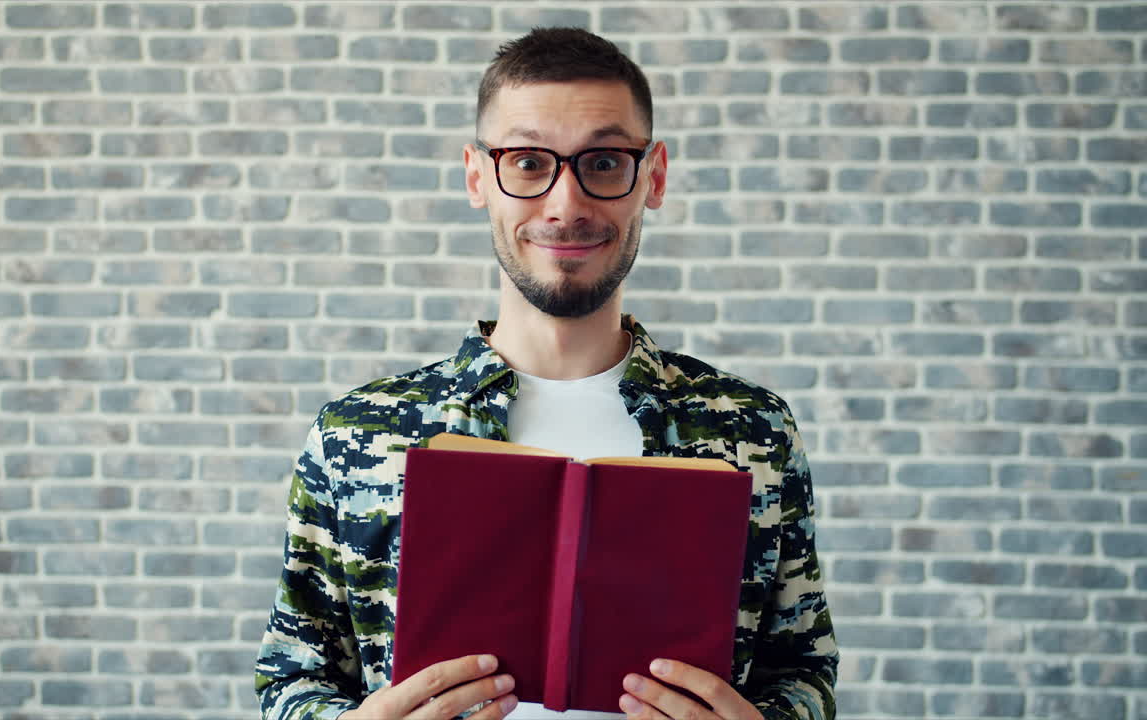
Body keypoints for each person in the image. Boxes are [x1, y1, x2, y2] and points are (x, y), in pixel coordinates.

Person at [255, 27, 837, 720]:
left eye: (605, 161)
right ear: (478, 177)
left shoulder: (754, 430)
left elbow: (803, 673)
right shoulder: (355, 434)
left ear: (652, 177)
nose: (566, 205)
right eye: (529, 162)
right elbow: (294, 679)